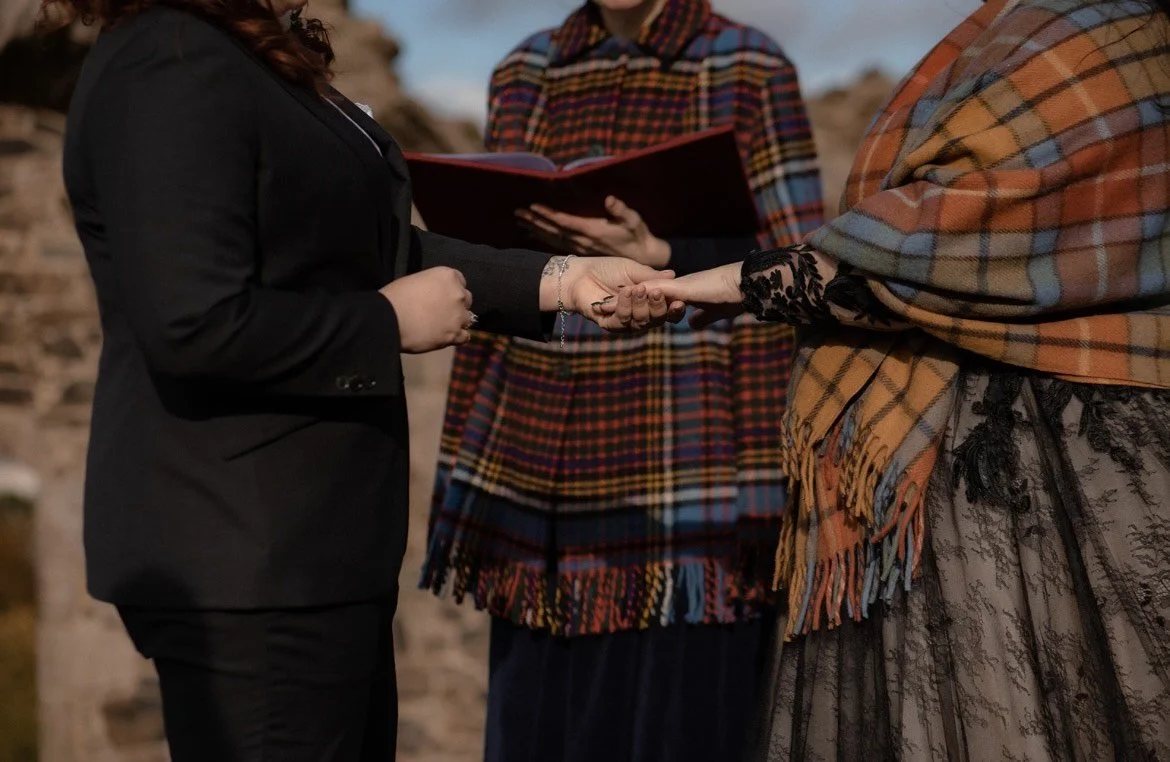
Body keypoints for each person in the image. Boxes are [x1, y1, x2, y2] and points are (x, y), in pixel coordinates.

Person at [49, 0, 679, 758]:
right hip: (251, 566)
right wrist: (384, 326)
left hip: (314, 559)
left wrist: (564, 279)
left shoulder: (244, 52)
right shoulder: (169, 58)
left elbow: (367, 247)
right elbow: (192, 322)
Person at [643, 0, 1170, 758]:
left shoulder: (1118, 36)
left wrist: (716, 282)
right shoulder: (1002, 29)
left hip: (1078, 462)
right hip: (940, 471)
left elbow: (952, 236)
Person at [420, 1, 822, 760]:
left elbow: (797, 262)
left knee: (681, 732)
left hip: (689, 471)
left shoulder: (749, 65)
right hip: (536, 475)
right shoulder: (523, 72)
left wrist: (664, 248)